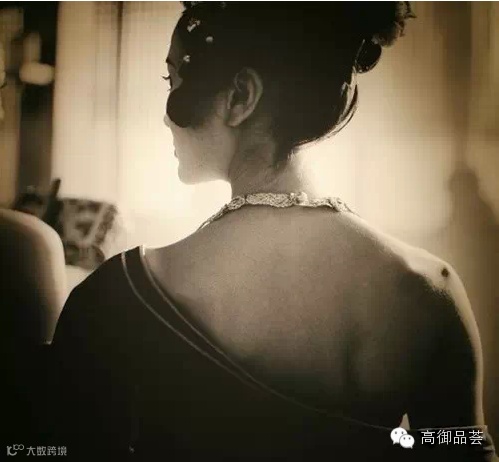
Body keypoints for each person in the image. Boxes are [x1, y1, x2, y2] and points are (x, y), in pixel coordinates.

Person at [50, 2, 498, 461]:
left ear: (240, 96)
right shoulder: (428, 289)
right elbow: (459, 444)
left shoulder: (118, 297)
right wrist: (400, 443)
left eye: (173, 79)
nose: (165, 117)